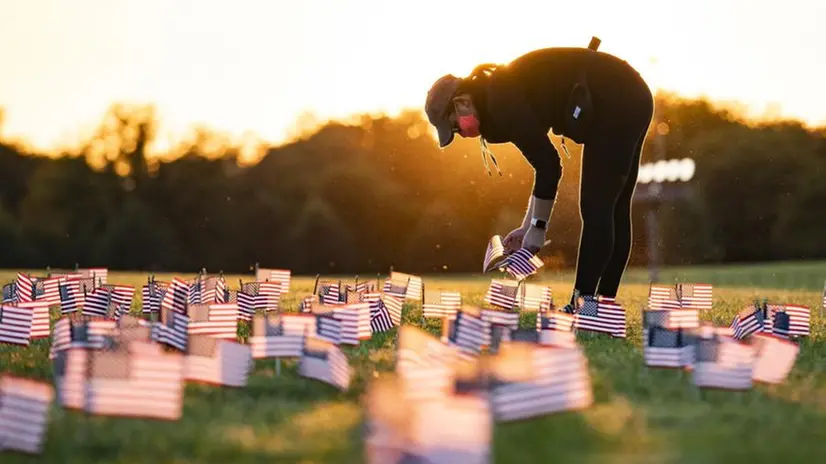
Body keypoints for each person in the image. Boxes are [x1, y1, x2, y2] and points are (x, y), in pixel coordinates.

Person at [424, 40, 654, 308]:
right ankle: (599, 307)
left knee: (597, 208)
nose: (460, 134)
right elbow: (544, 168)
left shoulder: (501, 100)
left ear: (461, 102)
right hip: (629, 93)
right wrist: (527, 226)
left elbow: (549, 165)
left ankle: (584, 307)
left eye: (454, 127)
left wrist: (538, 228)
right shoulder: (498, 92)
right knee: (612, 209)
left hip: (617, 99)